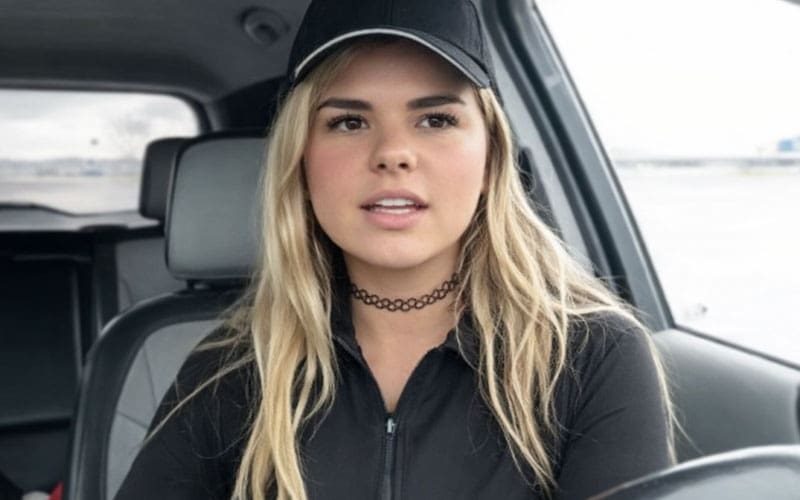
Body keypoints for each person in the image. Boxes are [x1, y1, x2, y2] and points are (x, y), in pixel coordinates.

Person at [116, 0, 674, 498]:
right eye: (349, 122)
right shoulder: (232, 368)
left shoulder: (590, 356)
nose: (393, 153)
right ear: (301, 162)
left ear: (491, 160)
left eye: (436, 119)